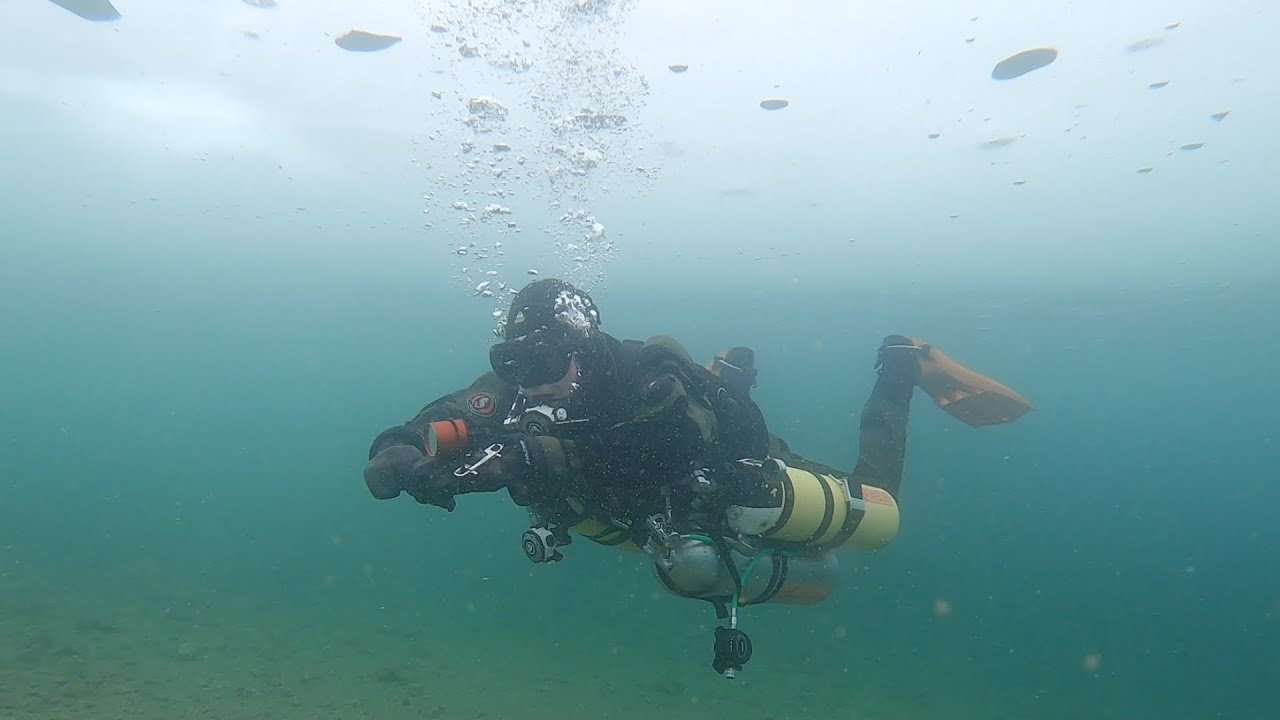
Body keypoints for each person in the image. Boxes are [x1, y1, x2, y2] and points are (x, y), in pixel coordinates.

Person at [363, 278, 1033, 677]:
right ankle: (733, 373)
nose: (526, 379)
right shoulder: (517, 386)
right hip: (638, 523)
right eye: (511, 359)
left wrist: (540, 457)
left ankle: (900, 368)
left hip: (738, 478)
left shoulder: (643, 373)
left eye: (540, 359)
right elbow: (455, 413)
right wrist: (401, 447)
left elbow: (673, 449)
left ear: (581, 348)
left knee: (875, 512)